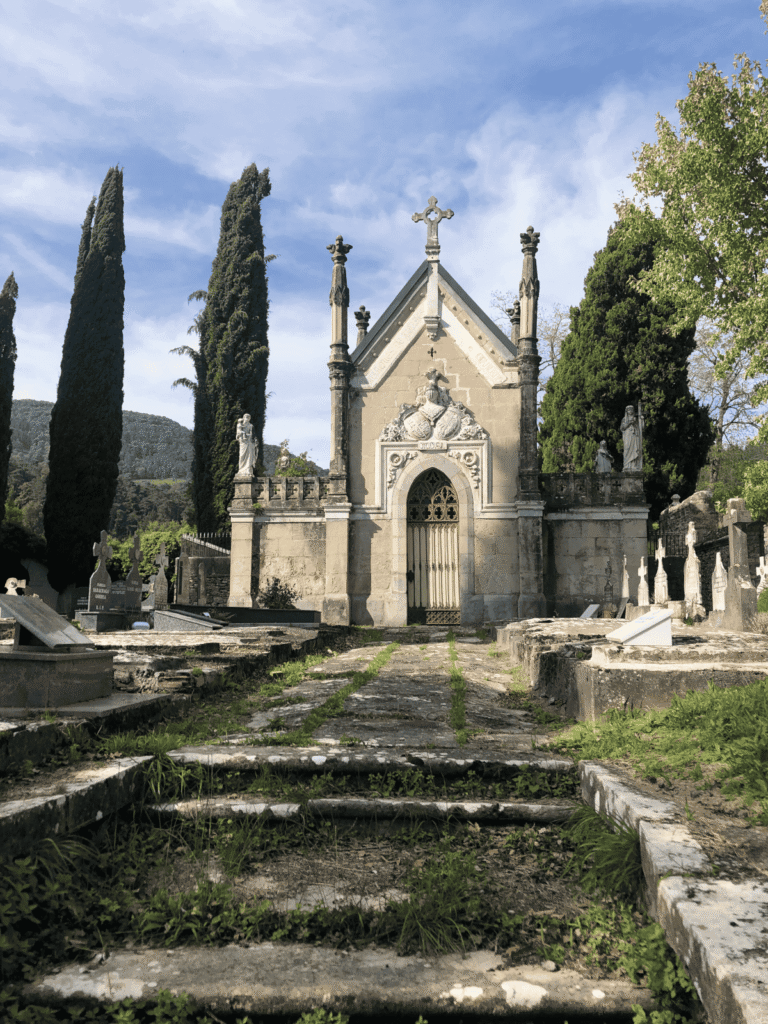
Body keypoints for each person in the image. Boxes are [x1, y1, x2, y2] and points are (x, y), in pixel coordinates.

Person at [620, 405, 642, 472]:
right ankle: (627, 465)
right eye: (629, 410)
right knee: (627, 448)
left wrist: (641, 420)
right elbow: (622, 427)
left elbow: (640, 428)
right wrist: (629, 423)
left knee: (634, 449)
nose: (630, 411)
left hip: (634, 435)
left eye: (631, 409)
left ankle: (634, 465)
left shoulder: (635, 419)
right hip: (627, 435)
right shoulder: (624, 419)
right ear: (626, 411)